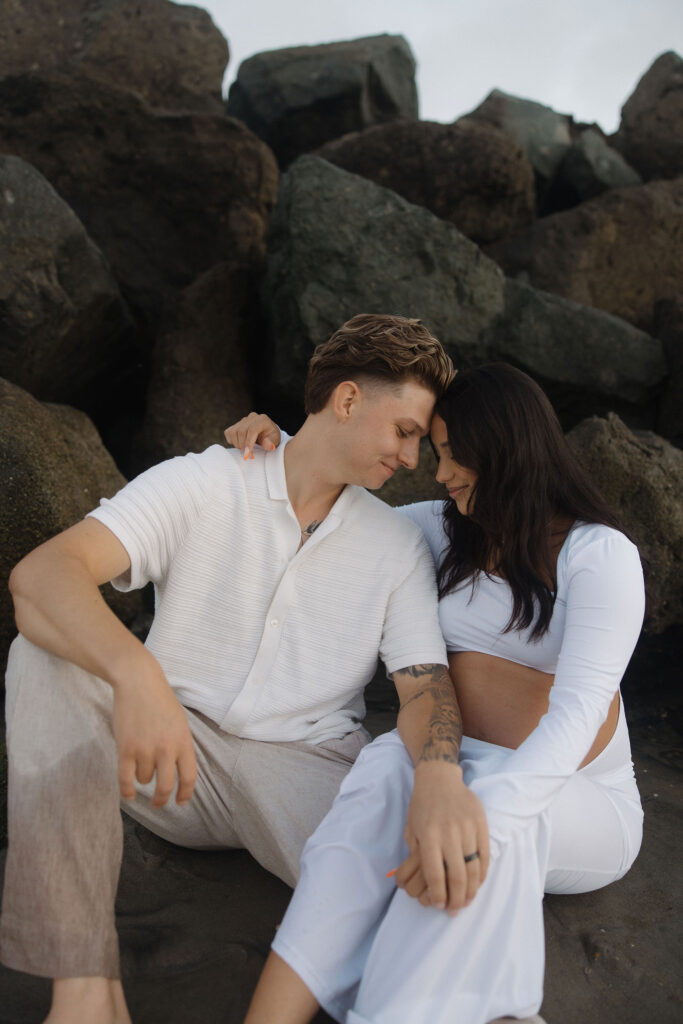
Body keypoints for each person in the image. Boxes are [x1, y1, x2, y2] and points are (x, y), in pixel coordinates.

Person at [0, 314, 489, 1024]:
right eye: (405, 432)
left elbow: (422, 687)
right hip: (169, 761)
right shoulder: (204, 482)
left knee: (419, 908)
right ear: (347, 401)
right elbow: (44, 574)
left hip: (308, 775)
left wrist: (440, 779)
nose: (412, 459)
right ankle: (83, 994)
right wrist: (137, 675)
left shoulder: (395, 545)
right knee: (41, 655)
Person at [225, 363, 645, 1024]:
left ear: (501, 452)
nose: (439, 472)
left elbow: (574, 718)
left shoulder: (598, 557)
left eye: (451, 456)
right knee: (384, 764)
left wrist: (472, 820)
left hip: (577, 797)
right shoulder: (435, 529)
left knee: (464, 837)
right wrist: (273, 445)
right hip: (451, 762)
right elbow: (327, 506)